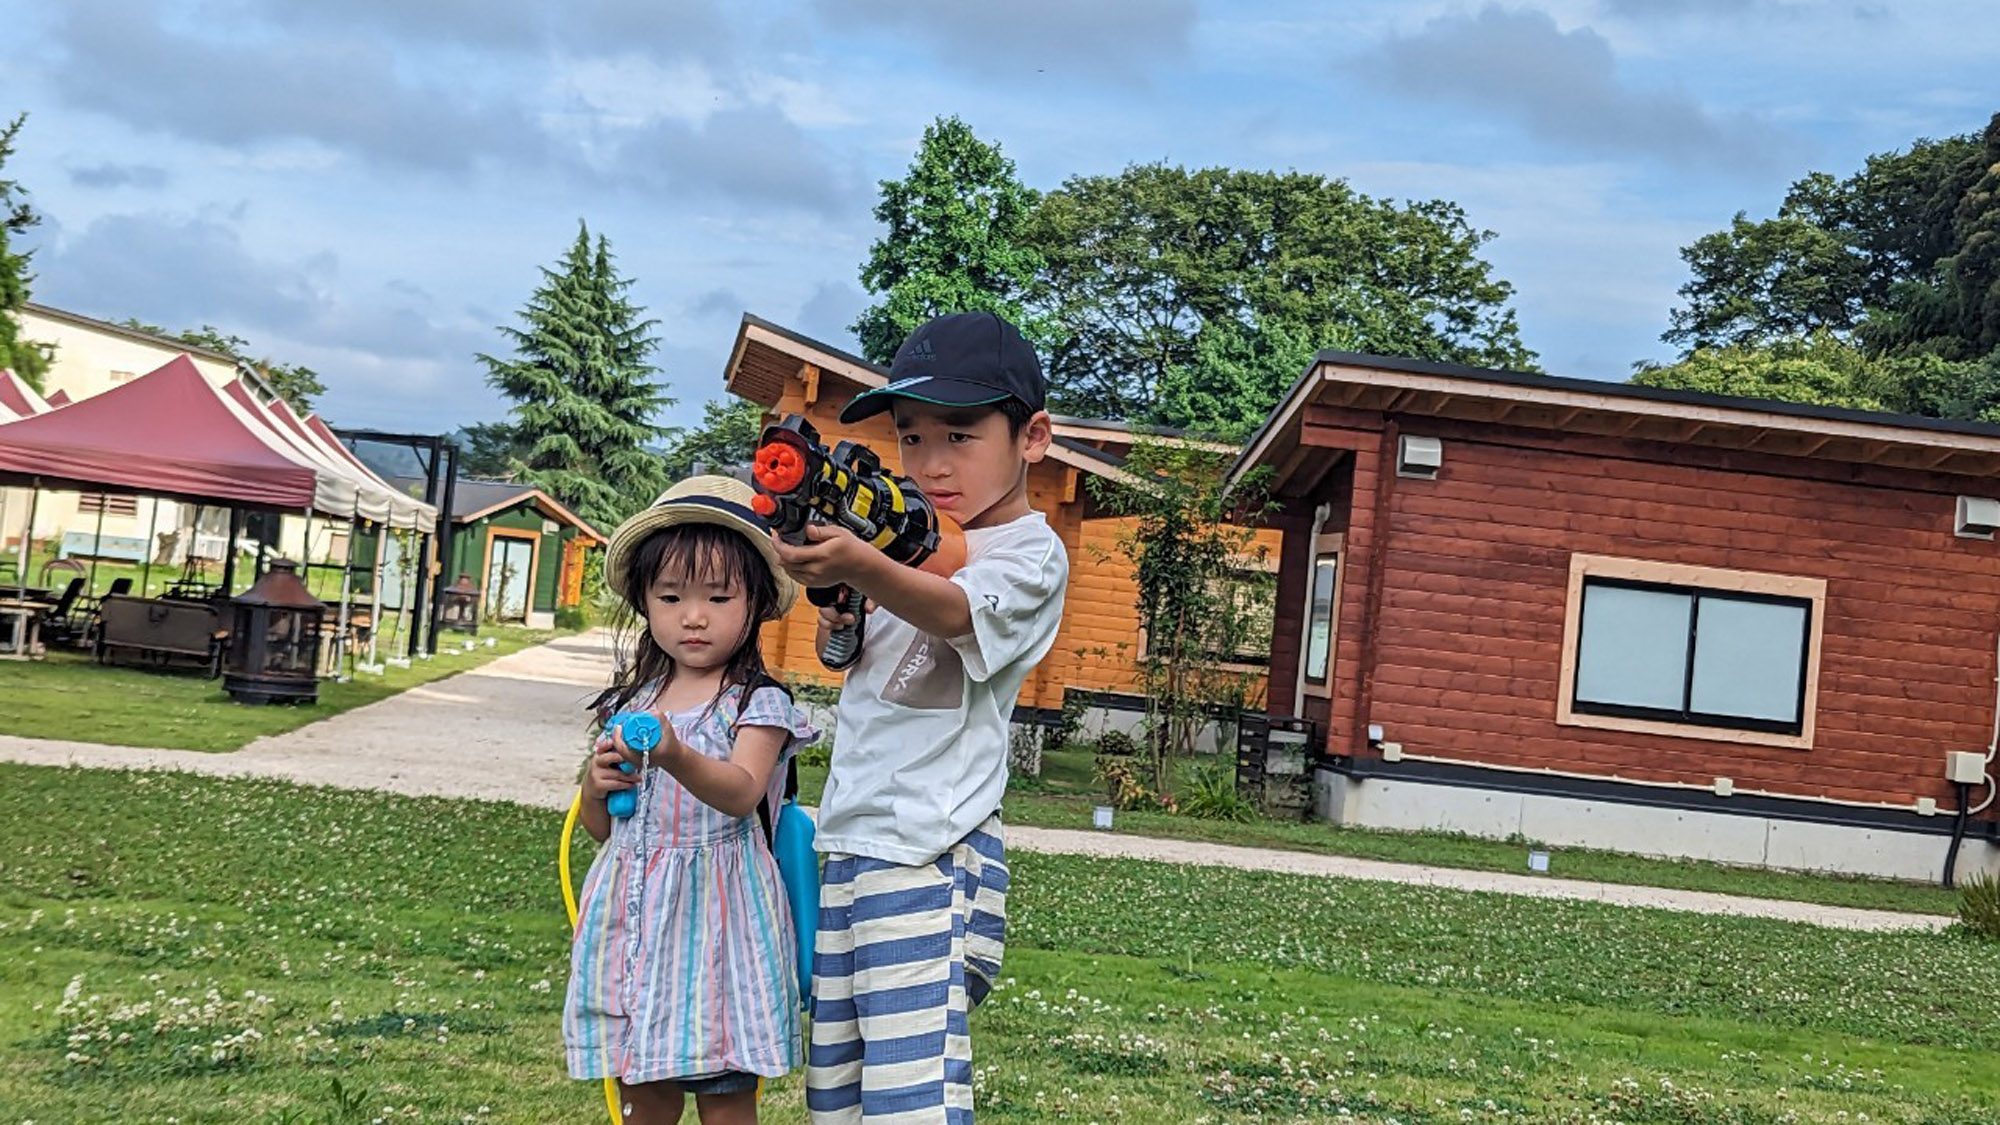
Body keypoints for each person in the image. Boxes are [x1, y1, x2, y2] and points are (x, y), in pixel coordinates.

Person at [772, 311, 1070, 1124]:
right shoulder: (904, 541)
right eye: (911, 438)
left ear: (1032, 437)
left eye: (960, 435)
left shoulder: (1029, 553)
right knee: (837, 1095)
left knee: (911, 1104)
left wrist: (863, 561)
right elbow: (858, 662)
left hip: (930, 855)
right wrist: (839, 611)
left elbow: (954, 613)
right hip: (854, 840)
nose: (932, 464)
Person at [565, 475, 819, 1125]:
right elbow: (603, 829)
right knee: (644, 1088)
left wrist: (675, 755)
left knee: (723, 1085)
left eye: (718, 596)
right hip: (638, 921)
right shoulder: (631, 705)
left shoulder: (758, 702)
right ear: (646, 601)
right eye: (671, 596)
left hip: (719, 921)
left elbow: (739, 792)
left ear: (756, 601)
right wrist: (597, 786)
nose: (694, 615)